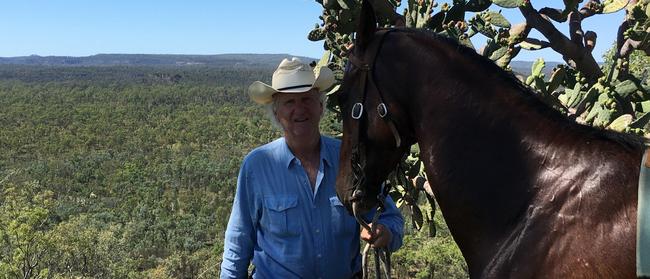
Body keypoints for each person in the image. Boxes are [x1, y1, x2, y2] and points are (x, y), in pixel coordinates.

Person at [220, 57, 404, 278]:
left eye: (306, 99)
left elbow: (390, 217)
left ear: (320, 107)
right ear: (277, 113)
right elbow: (238, 240)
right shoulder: (257, 166)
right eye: (289, 102)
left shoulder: (352, 159)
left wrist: (385, 233)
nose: (300, 109)